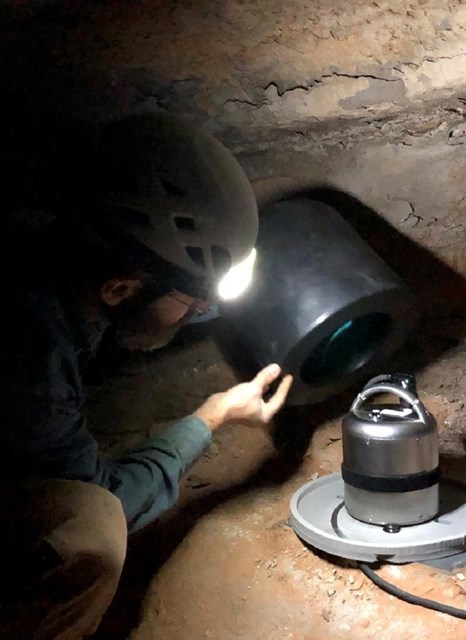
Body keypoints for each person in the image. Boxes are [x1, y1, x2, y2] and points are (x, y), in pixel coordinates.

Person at [0, 112, 293, 640]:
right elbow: (105, 497)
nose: (198, 313)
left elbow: (160, 309)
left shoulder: (52, 260)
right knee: (89, 536)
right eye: (190, 301)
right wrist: (214, 413)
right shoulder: (31, 363)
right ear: (120, 288)